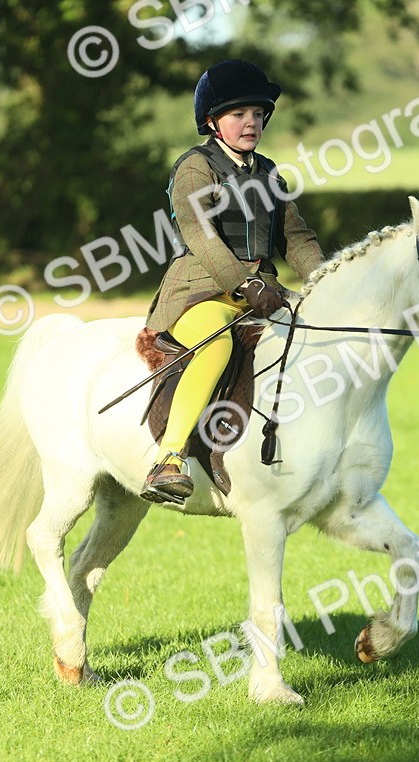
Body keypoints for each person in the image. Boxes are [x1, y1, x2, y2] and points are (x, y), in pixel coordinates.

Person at [140, 59, 325, 503]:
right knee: (217, 344)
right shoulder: (195, 168)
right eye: (238, 114)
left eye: (258, 114)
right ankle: (169, 458)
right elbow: (200, 236)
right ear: (211, 121)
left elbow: (296, 238)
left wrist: (327, 282)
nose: (251, 123)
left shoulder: (269, 172)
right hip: (200, 293)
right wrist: (245, 283)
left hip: (262, 293)